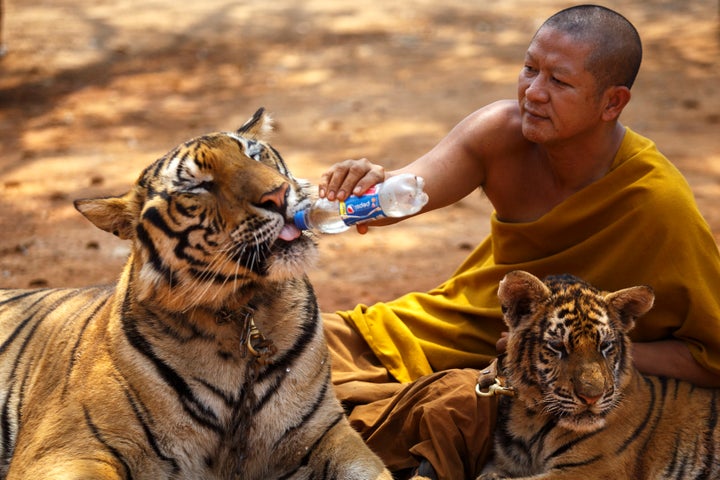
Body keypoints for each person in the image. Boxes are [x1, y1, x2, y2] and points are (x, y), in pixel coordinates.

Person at [318, 5, 720, 480]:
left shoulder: (658, 203)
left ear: (612, 103)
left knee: (449, 413)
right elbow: (405, 193)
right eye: (530, 68)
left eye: (559, 82)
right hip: (425, 333)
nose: (533, 92)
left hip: (523, 383)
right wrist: (366, 185)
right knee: (282, 345)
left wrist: (577, 350)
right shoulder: (500, 134)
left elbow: (710, 361)